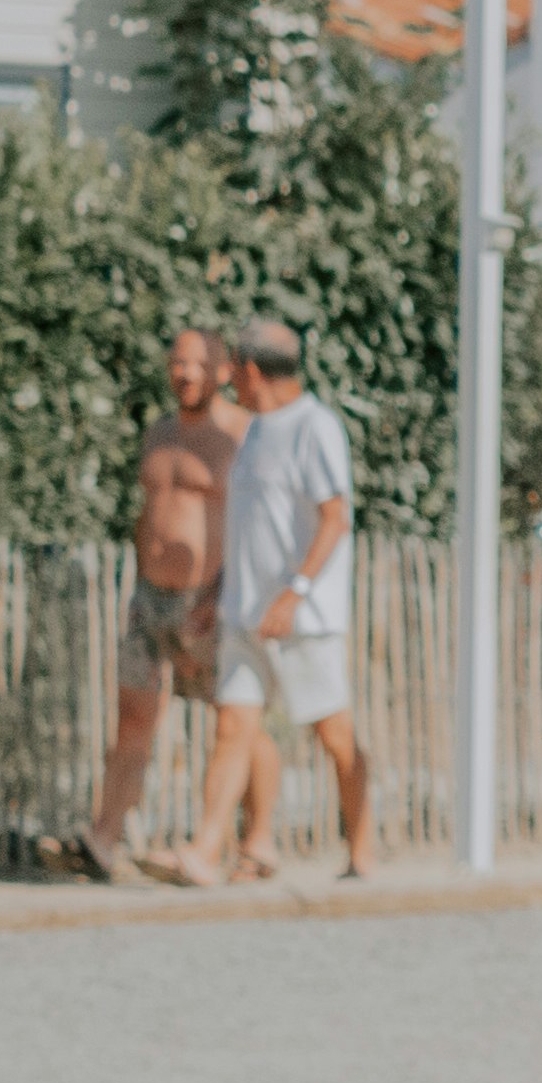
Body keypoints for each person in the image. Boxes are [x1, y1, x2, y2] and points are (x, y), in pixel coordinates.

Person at [157, 319, 369, 885]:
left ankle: (363, 851)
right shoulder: (256, 432)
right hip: (243, 614)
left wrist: (294, 593)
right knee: (233, 727)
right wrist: (214, 592)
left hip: (303, 618)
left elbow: (335, 517)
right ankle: (204, 853)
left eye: (232, 372)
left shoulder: (314, 427)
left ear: (249, 371)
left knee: (334, 736)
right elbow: (253, 528)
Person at [79, 326, 242, 880]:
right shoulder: (157, 434)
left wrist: (226, 590)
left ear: (223, 371)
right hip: (149, 599)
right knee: (133, 718)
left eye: (197, 364)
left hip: (209, 600)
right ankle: (103, 840)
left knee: (239, 720)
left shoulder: (240, 436)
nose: (185, 373)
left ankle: (257, 839)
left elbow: (258, 522)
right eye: (177, 362)